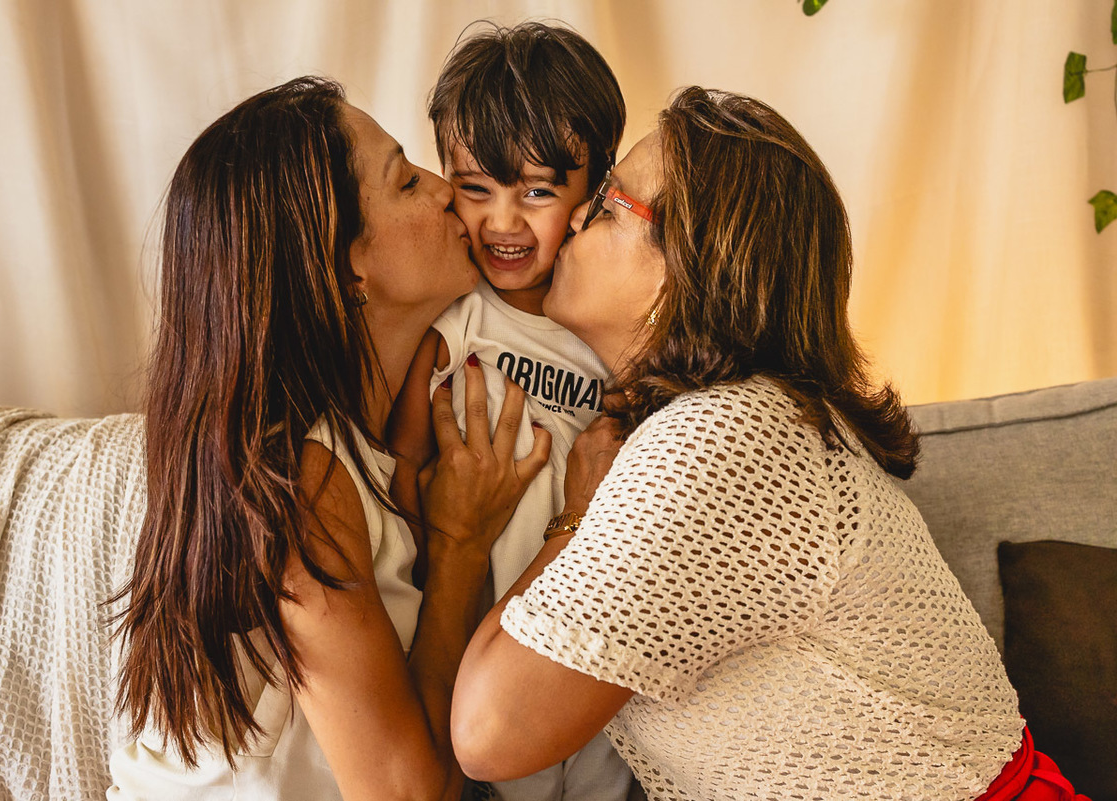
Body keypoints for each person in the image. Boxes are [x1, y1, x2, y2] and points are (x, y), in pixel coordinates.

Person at [448, 88, 1093, 800]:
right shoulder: (744, 420)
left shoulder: (720, 438)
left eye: (607, 208)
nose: (572, 215)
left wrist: (573, 518)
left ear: (688, 263)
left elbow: (488, 732)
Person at [107, 76, 550, 801]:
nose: (448, 191)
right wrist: (463, 545)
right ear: (348, 265)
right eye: (407, 181)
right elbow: (406, 794)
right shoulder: (299, 479)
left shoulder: (350, 448)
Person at [387, 21, 633, 801]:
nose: (502, 222)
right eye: (476, 187)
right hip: (478, 661)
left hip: (591, 658)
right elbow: (403, 475)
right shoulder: (454, 316)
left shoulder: (604, 325)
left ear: (594, 190)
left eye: (537, 191)